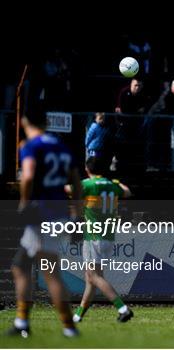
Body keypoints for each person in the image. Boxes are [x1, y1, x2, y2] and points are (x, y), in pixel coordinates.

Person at [7, 102, 82, 338]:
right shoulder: (61, 145)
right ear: (47, 122)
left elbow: (28, 175)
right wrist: (76, 216)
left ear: (24, 121)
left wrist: (23, 203)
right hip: (58, 213)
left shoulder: (30, 146)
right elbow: (77, 183)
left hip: (42, 215)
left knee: (50, 272)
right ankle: (22, 322)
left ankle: (69, 328)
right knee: (20, 265)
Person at [69, 157, 133, 323]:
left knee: (93, 276)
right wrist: (116, 182)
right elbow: (127, 192)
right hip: (108, 237)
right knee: (92, 278)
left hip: (93, 236)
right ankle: (78, 316)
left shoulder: (88, 184)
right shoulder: (112, 185)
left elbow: (69, 189)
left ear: (87, 169)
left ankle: (122, 308)